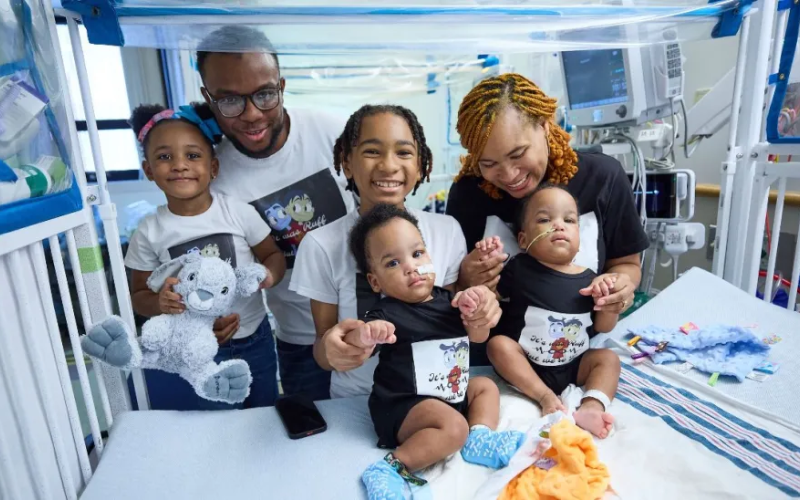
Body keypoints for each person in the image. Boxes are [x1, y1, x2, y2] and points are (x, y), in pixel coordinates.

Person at [290, 104, 501, 398]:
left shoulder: (447, 230)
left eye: (403, 152)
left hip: (441, 395)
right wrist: (330, 351)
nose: (389, 165)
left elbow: (451, 317)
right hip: (358, 400)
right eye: (372, 151)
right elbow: (323, 348)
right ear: (347, 162)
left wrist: (480, 306)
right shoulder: (320, 244)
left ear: (421, 165)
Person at [196, 26, 356, 400]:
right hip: (301, 341)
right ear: (208, 98)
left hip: (374, 322)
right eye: (230, 101)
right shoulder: (216, 179)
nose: (252, 114)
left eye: (265, 94)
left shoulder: (333, 133)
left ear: (281, 86)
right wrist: (209, 318)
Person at [447, 73, 650, 365]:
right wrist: (467, 277)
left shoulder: (602, 178)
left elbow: (627, 264)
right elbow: (448, 287)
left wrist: (620, 286)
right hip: (494, 360)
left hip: (579, 357)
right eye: (488, 164)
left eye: (518, 154)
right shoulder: (469, 194)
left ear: (545, 126)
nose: (509, 175)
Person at [347, 204, 524, 499]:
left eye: (417, 254)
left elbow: (478, 337)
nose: (411, 267)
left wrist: (476, 309)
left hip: (449, 396)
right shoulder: (386, 313)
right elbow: (356, 339)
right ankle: (391, 468)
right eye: (392, 263)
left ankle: (479, 436)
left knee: (484, 386)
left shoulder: (450, 301)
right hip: (405, 405)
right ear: (375, 281)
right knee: (454, 428)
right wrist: (366, 333)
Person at [124, 103, 286, 409]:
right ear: (148, 170)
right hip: (196, 349)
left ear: (213, 167)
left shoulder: (236, 212)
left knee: (264, 413)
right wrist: (159, 303)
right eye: (164, 157)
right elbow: (138, 294)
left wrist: (268, 276)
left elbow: (272, 254)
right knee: (217, 423)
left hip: (256, 339)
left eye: (193, 155)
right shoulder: (149, 232)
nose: (180, 165)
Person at [488, 184, 620, 438]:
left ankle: (592, 406)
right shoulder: (519, 269)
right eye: (545, 219)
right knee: (498, 345)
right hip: (526, 364)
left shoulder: (591, 280)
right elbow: (491, 296)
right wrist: (488, 265)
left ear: (580, 238)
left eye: (569, 220)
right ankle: (544, 396)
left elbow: (603, 326)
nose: (559, 225)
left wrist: (608, 301)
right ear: (524, 240)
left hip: (573, 365)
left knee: (608, 359)